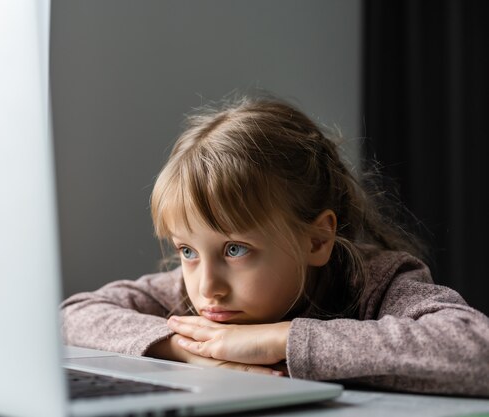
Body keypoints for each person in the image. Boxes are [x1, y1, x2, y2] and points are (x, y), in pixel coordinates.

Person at [60, 95, 489, 396]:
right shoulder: (189, 298)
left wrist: (281, 340)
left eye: (234, 250)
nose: (207, 286)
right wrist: (188, 351)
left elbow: (476, 349)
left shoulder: (378, 281)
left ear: (317, 239)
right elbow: (71, 316)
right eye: (187, 251)